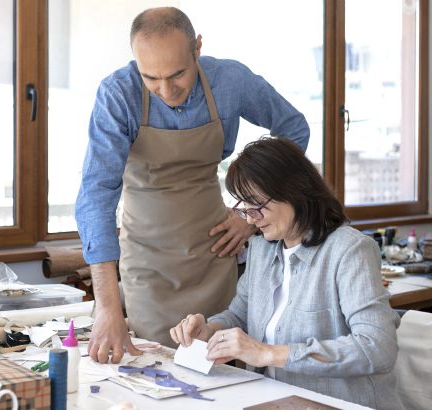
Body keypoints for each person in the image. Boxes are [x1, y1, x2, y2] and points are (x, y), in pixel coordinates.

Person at [75, 7, 310, 362]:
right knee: (156, 369)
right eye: (151, 78)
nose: (166, 90)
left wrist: (251, 217)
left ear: (197, 48)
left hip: (215, 254)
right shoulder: (117, 94)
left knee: (225, 366)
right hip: (148, 265)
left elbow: (294, 130)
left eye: (178, 74)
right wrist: (107, 308)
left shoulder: (230, 81)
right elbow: (96, 196)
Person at [170, 137, 404, 410]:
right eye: (244, 208)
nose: (250, 219)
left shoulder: (349, 250)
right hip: (275, 400)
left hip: (342, 403)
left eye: (256, 206)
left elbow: (377, 348)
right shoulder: (261, 249)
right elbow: (240, 314)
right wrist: (210, 330)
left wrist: (266, 353)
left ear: (294, 190)